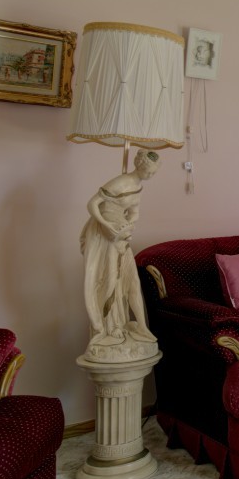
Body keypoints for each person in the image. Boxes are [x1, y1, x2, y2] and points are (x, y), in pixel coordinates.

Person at [80, 149, 159, 351]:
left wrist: (130, 224)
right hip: (105, 233)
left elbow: (134, 212)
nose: (150, 177)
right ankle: (109, 324)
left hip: (121, 234)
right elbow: (92, 204)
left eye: (153, 173)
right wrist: (106, 224)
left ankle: (141, 326)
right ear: (139, 166)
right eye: (148, 172)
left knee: (131, 279)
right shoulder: (119, 183)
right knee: (110, 280)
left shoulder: (138, 186)